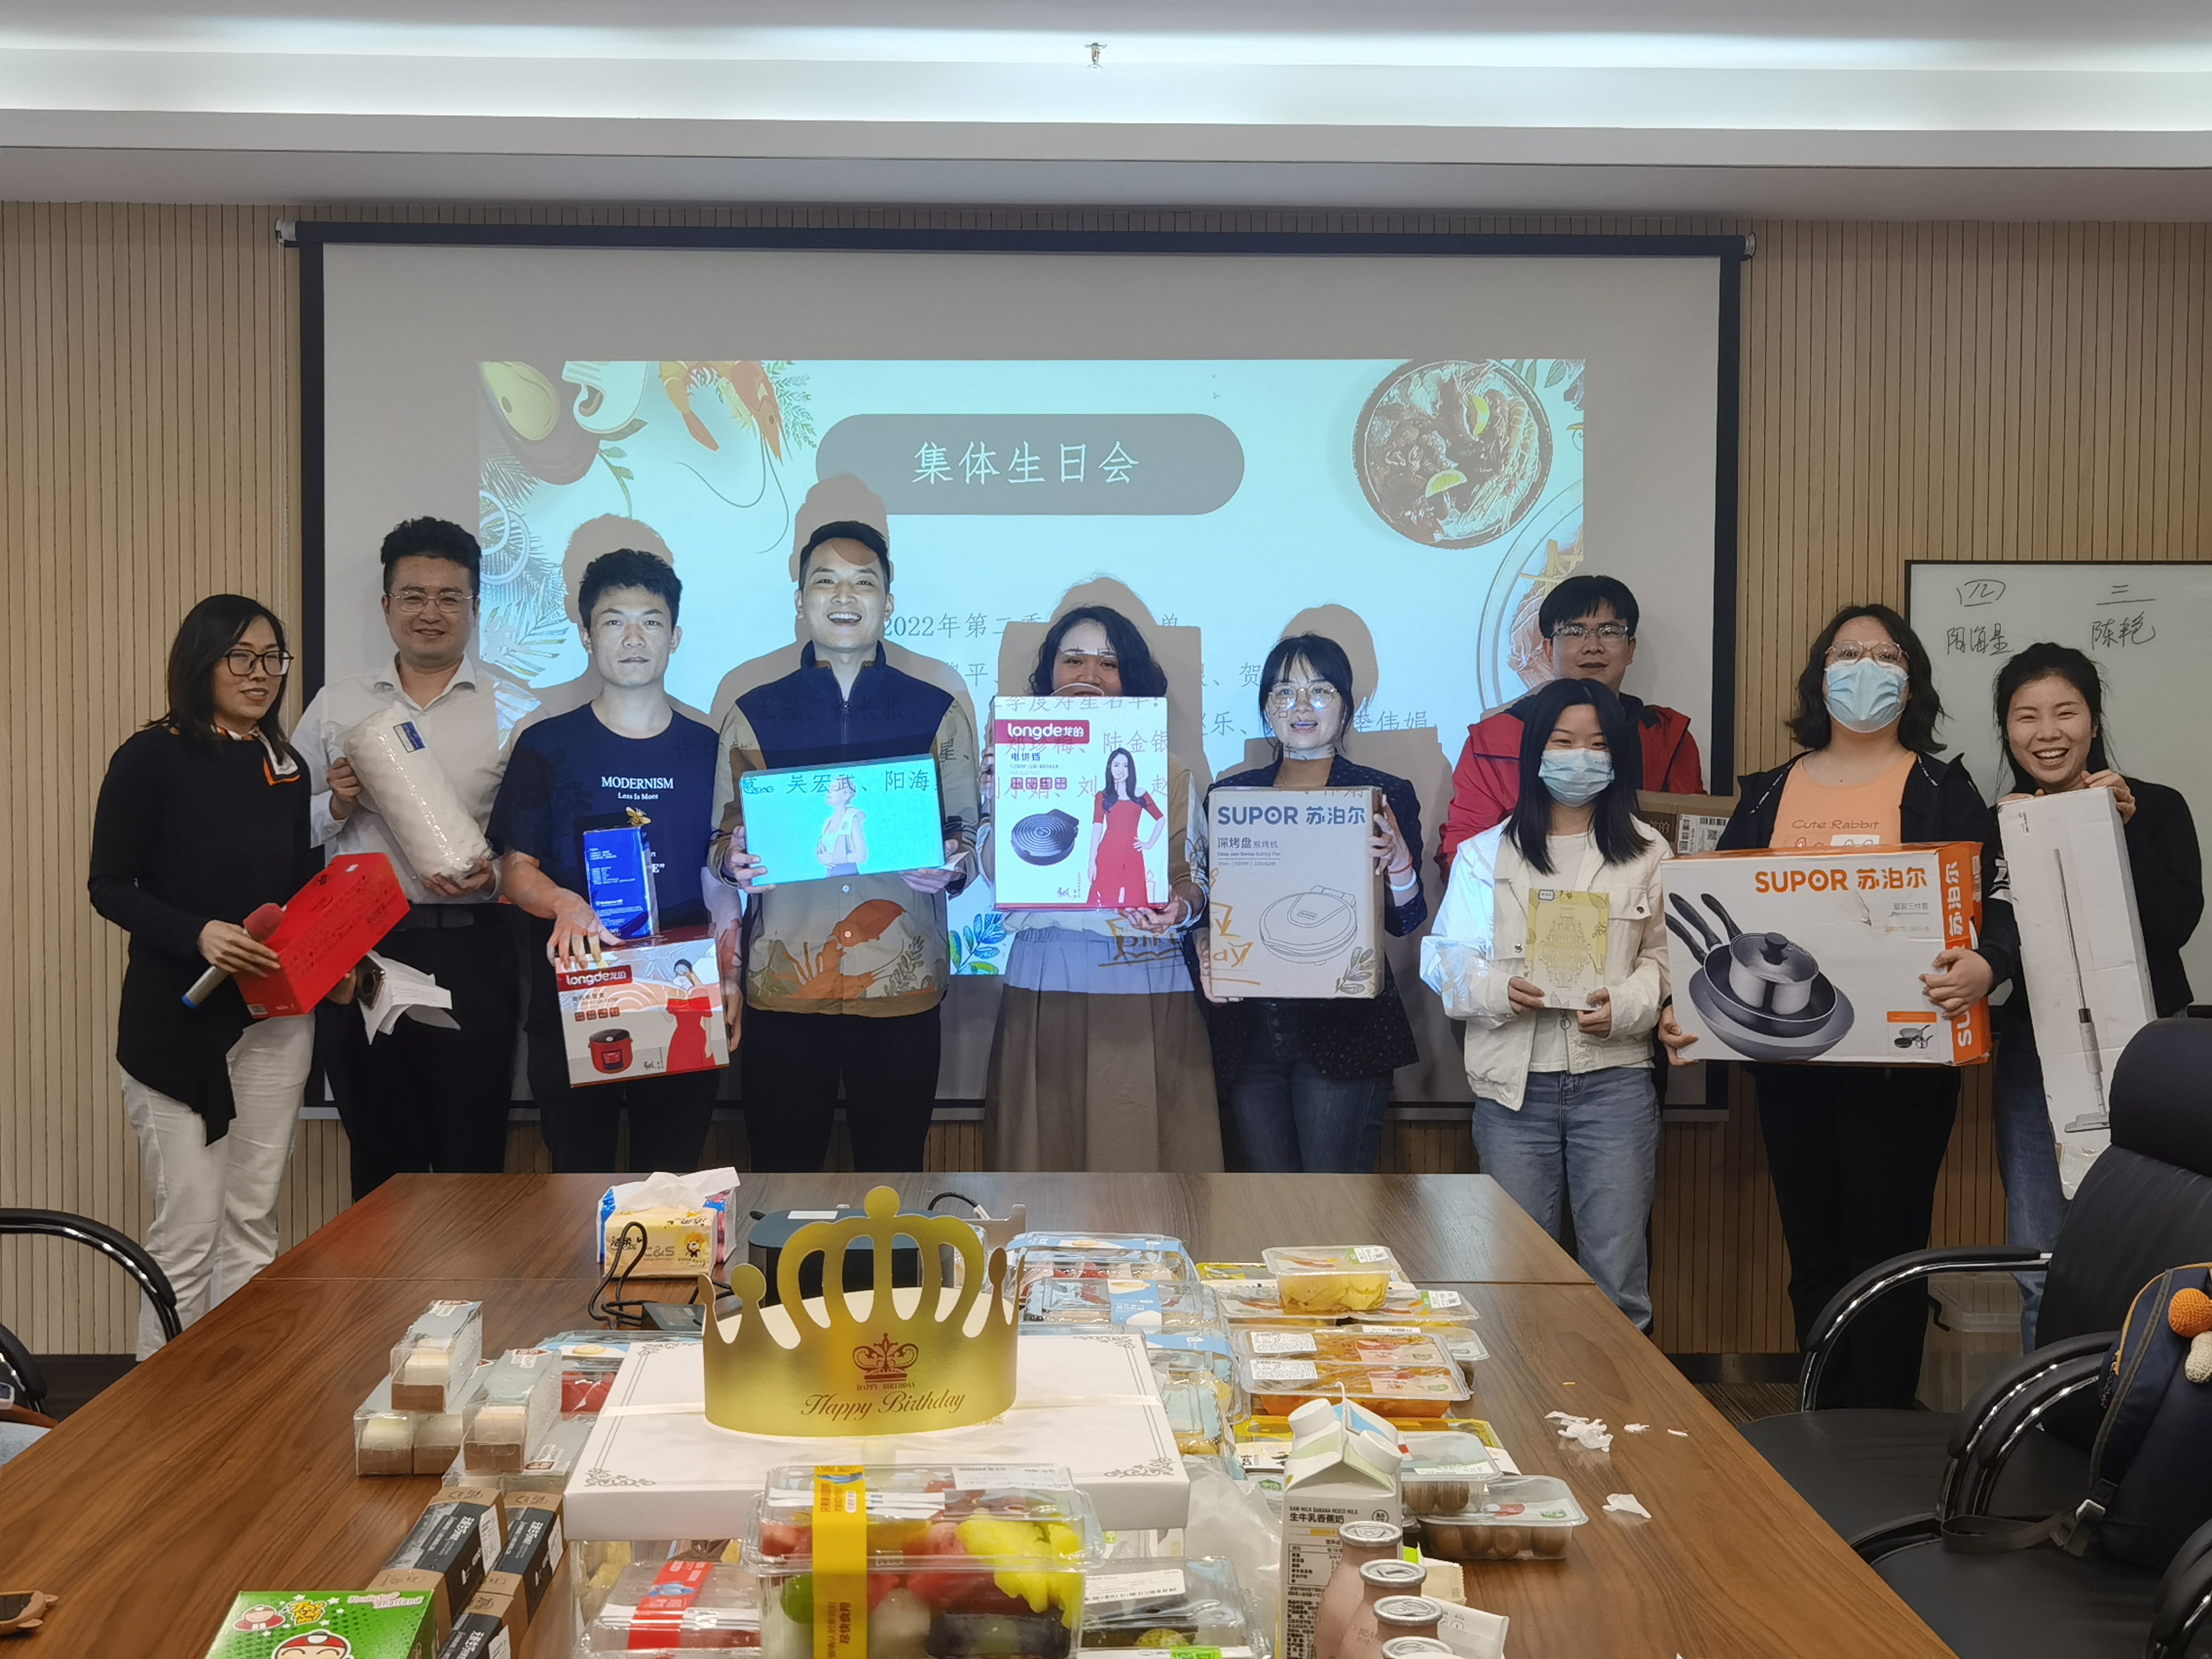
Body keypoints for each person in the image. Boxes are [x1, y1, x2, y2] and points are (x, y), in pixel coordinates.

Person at [1661, 603, 2018, 1406]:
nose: (1865, 669)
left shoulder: (1943, 787)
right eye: (1846, 654)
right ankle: (1821, 1419)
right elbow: (1714, 913)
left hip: (1905, 1069)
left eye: (1885, 656)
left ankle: (1880, 1428)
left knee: (1888, 1254)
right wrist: (1686, 1005)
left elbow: (1999, 900)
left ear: (1910, 681)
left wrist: (1986, 965)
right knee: (1814, 1247)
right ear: (1820, 678)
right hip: (1791, 1063)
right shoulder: (1768, 793)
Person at [87, 596, 327, 1357]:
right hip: (177, 1021)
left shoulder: (287, 766)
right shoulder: (150, 756)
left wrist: (337, 952)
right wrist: (198, 933)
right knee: (188, 1225)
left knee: (252, 1221)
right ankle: (161, 1405)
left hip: (275, 1019)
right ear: (202, 662)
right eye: (241, 657)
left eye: (273, 658)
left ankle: (237, 1396)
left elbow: (295, 891)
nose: (261, 675)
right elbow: (109, 886)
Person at [713, 509, 980, 1171]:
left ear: (887, 603)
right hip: (785, 983)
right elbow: (719, 837)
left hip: (901, 984)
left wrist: (954, 865)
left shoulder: (937, 710)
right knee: (780, 1173)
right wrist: (730, 860)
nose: (844, 596)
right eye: (824, 580)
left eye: (863, 582)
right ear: (800, 600)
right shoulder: (753, 712)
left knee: (894, 1173)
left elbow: (965, 835)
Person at [1420, 677, 1671, 1328]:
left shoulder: (1649, 852)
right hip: (1514, 1091)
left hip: (1614, 1083)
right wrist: (1497, 991)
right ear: (1535, 751)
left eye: (1596, 744)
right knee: (1513, 1276)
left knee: (1617, 1279)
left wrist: (1627, 1005)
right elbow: (1444, 958)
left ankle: (1618, 1394)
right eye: (1562, 742)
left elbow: (1665, 960)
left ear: (1617, 756)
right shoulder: (1484, 855)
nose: (1579, 757)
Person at [295, 517, 522, 1199]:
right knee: (380, 1160)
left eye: (450, 597)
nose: (431, 612)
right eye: (414, 596)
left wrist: (496, 875)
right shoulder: (337, 705)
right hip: (362, 950)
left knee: (472, 1155)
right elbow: (280, 826)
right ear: (387, 604)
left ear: (474, 606)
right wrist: (336, 806)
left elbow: (531, 839)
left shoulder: (515, 709)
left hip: (475, 947)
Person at [1985, 642, 2201, 1344]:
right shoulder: (1999, 821)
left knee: (2159, 1259)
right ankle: (2046, 1401)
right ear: (2007, 729)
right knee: (2039, 1260)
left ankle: (2142, 1398)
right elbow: (1994, 942)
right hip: (2035, 1057)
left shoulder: (2156, 808)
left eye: (2066, 712)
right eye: (2026, 717)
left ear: (2094, 720)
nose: (2047, 733)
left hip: (2150, 1058)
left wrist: (2120, 829)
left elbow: (2173, 925)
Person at [488, 549, 723, 1173]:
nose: (634, 638)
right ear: (587, 635)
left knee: (672, 1182)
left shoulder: (708, 750)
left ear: (675, 637)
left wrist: (732, 975)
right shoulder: (546, 745)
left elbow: (723, 874)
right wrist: (564, 904)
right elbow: (515, 869)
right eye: (614, 621)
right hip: (578, 988)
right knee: (576, 1178)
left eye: (651, 621)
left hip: (682, 991)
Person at [983, 605, 1223, 1171]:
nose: (1090, 673)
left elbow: (1194, 884)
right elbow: (996, 873)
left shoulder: (1168, 770)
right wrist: (997, 796)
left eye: (1109, 663)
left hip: (1142, 974)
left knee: (1142, 1161)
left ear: (1130, 678)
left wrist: (1179, 907)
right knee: (1043, 1156)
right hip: (1046, 973)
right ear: (1048, 674)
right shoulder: (1016, 761)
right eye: (1073, 659)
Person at [1198, 633, 1426, 1172]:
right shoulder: (1230, 796)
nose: (1301, 706)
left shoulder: (1380, 792)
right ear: (1266, 708)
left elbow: (1406, 919)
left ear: (1347, 705)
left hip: (1345, 1030)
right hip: (1252, 1032)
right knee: (1268, 1199)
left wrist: (1398, 861)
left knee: (1332, 1201)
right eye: (1284, 692)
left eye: (1320, 691)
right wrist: (1208, 952)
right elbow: (1211, 909)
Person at [1438, 574, 1703, 875]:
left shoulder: (1666, 737)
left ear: (1631, 649)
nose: (1593, 646)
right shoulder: (1494, 740)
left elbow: (1694, 841)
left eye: (1610, 631)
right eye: (1575, 631)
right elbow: (1462, 854)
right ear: (1549, 649)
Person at [1088, 749, 1163, 906]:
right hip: (1108, 851)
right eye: (1116, 765)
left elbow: (1161, 819)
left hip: (1132, 851)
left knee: (1135, 897)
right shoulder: (1102, 797)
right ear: (1110, 767)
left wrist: (1149, 844)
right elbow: (1097, 829)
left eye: (1125, 766)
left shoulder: (1140, 794)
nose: (1121, 770)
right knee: (1106, 897)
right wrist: (1091, 862)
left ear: (1131, 769)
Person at [816, 775, 868, 877]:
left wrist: (834, 859)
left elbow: (862, 856)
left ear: (846, 796)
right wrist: (822, 859)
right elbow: (822, 851)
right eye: (829, 788)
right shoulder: (828, 822)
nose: (829, 792)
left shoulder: (852, 818)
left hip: (851, 878)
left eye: (835, 789)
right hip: (830, 877)